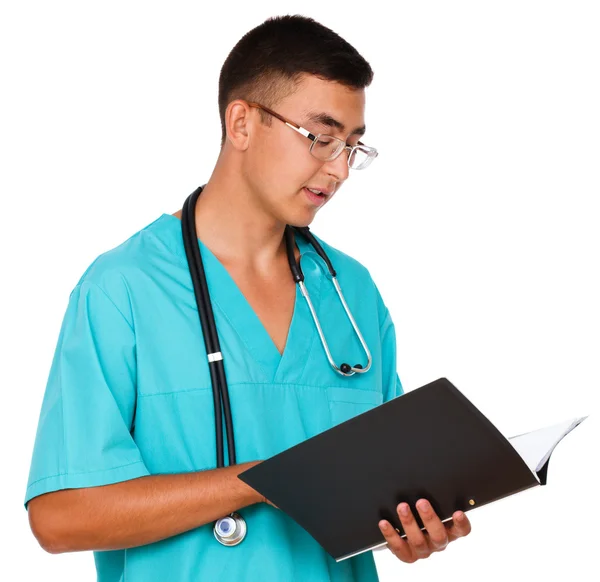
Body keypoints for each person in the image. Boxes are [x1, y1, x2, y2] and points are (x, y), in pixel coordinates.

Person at [24, 14, 471, 581]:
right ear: (241, 122)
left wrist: (411, 527)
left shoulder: (351, 293)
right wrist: (258, 482)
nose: (338, 169)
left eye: (353, 147)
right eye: (320, 137)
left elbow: (383, 486)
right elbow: (59, 517)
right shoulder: (123, 289)